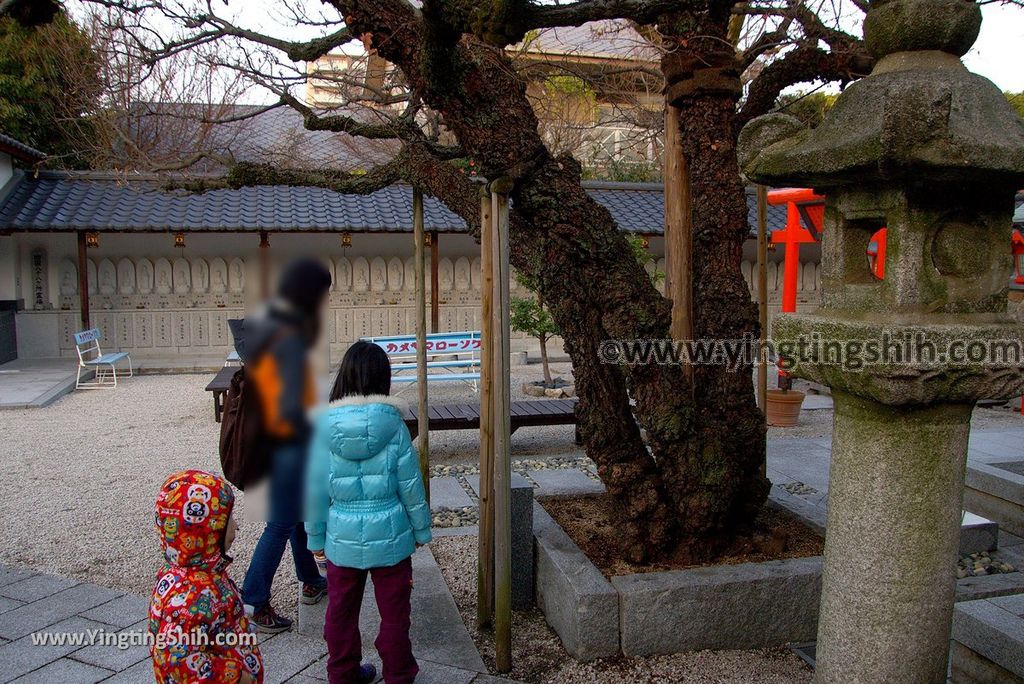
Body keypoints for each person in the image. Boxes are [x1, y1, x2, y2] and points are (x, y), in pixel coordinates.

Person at [305, 341, 432, 684]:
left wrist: (315, 537)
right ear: (383, 379)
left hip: (341, 538)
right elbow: (411, 487)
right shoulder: (394, 426)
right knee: (394, 615)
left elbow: (315, 492)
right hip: (390, 534)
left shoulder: (323, 430)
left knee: (340, 613)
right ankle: (399, 674)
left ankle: (342, 673)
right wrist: (421, 531)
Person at [230, 258, 332, 632]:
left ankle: (311, 580)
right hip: (286, 443)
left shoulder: (270, 323)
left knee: (297, 515)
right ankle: (254, 600)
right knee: (280, 523)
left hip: (270, 442)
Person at [150, 470, 262, 683]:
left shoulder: (201, 573)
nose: (237, 525)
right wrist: (236, 677)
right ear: (208, 530)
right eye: (229, 520)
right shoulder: (190, 594)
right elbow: (177, 658)